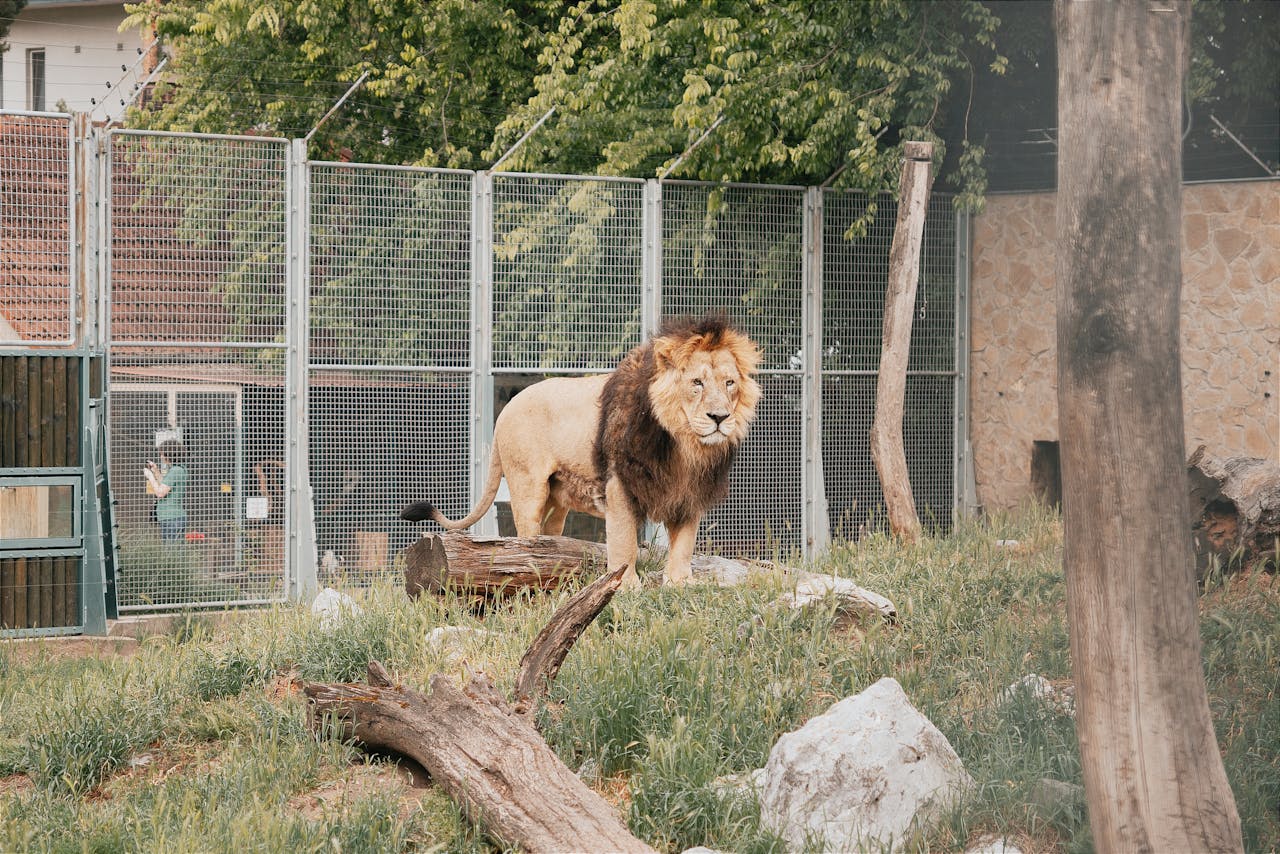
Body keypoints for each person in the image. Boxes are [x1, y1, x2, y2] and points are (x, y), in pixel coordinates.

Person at [144, 440, 189, 542]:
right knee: (173, 551)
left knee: (171, 553)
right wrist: (155, 471)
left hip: (171, 519)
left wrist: (150, 476)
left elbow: (160, 493)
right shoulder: (178, 469)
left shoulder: (175, 471)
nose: (161, 457)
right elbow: (165, 485)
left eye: (162, 454)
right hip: (172, 518)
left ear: (169, 454)